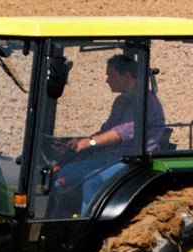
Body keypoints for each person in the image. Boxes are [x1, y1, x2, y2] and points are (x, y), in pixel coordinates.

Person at [55, 53, 165, 214]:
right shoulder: (120, 101)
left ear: (126, 76)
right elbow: (106, 131)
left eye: (110, 75)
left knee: (93, 181)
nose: (107, 80)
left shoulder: (145, 102)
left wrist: (89, 143)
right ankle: (58, 222)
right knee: (64, 172)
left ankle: (87, 231)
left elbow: (120, 133)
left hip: (135, 162)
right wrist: (78, 143)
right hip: (112, 159)